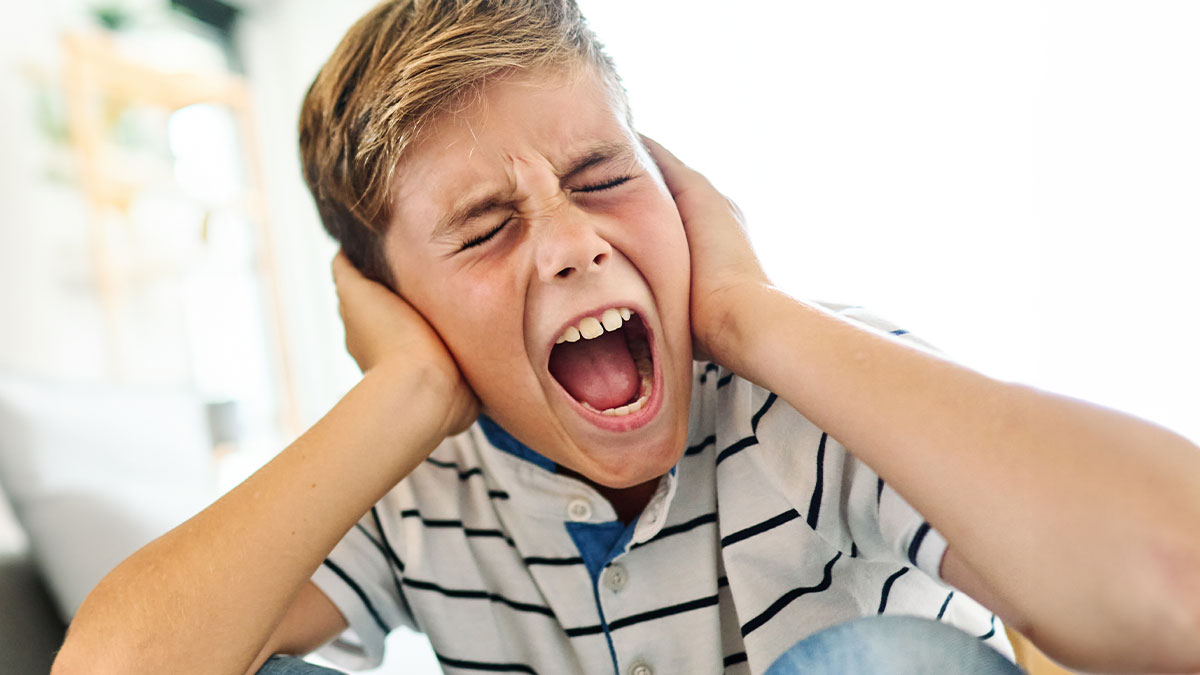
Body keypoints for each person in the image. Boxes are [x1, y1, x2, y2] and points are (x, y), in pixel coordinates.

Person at [52, 1, 1200, 674]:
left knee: (880, 664)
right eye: (486, 227)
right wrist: (401, 393)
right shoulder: (417, 490)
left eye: (605, 176)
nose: (569, 245)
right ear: (391, 300)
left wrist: (750, 312)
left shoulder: (806, 394)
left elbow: (1177, 580)